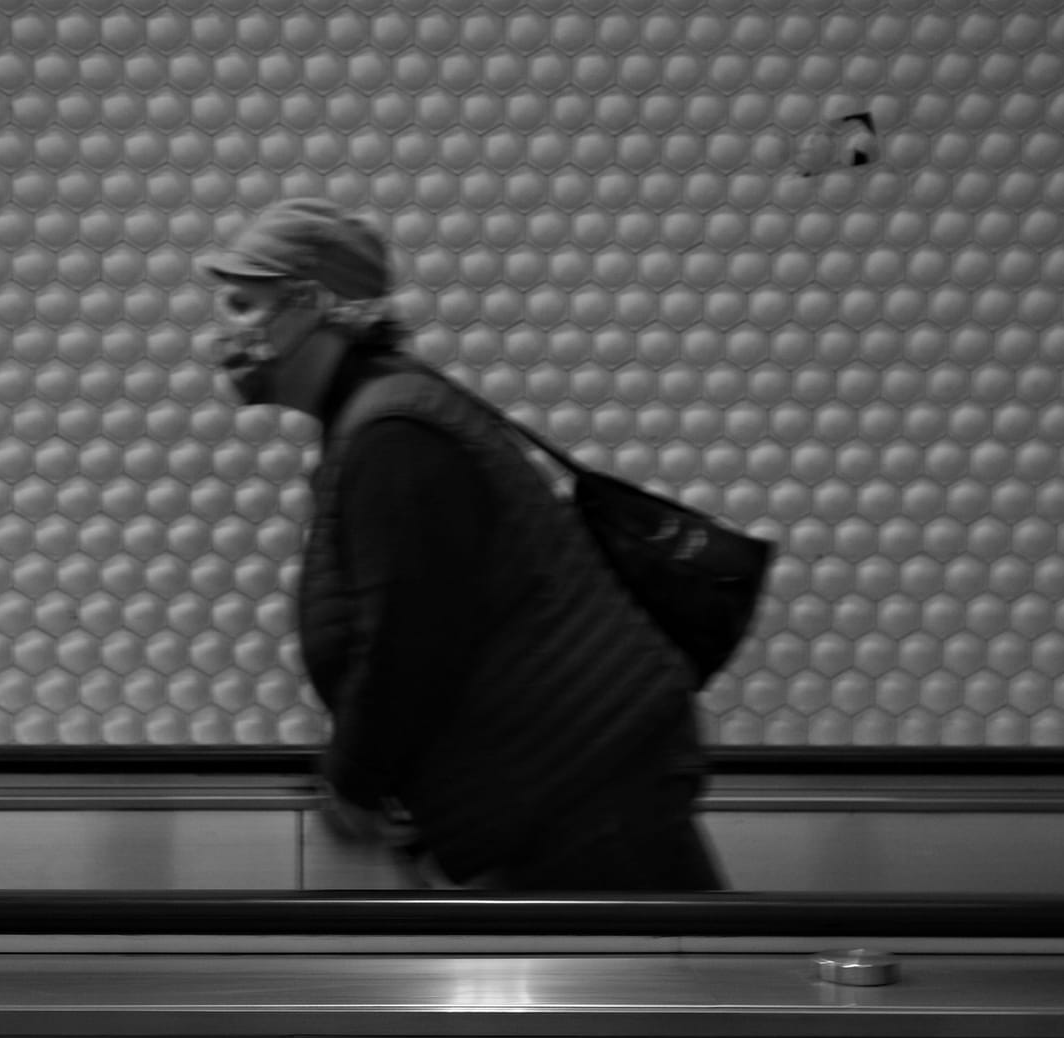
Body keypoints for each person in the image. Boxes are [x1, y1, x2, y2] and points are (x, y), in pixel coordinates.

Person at [197, 198, 725, 892]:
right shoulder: (385, 416)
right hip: (572, 782)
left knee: (659, 994)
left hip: (583, 792)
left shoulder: (395, 439)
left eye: (243, 304)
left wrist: (353, 780)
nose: (223, 335)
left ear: (309, 303)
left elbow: (411, 636)